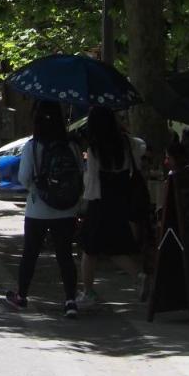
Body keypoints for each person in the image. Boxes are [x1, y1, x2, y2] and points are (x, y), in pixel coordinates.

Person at [5, 101, 83, 317]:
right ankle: (70, 300)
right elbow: (79, 175)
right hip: (66, 209)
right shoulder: (72, 145)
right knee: (65, 255)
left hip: (37, 209)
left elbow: (24, 177)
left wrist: (38, 190)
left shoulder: (33, 146)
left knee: (30, 253)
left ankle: (21, 296)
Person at [77, 105, 149, 308]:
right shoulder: (128, 144)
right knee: (114, 247)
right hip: (120, 201)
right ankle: (139, 275)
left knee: (89, 249)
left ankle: (88, 292)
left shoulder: (94, 149)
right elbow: (141, 149)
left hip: (99, 203)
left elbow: (91, 182)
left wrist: (85, 203)